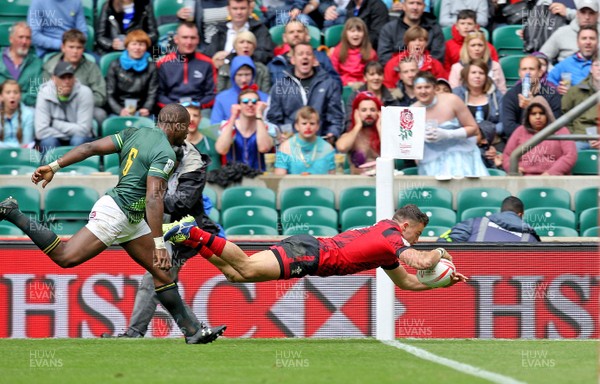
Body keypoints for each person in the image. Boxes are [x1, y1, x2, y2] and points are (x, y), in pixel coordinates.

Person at [0, 103, 226, 343]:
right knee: (65, 257)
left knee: (162, 274)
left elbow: (89, 147)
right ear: (177, 126)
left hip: (131, 217)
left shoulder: (134, 133)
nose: (188, 133)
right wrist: (160, 244)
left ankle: (193, 332)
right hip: (117, 212)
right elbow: (153, 198)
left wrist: (55, 166)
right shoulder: (166, 153)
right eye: (186, 127)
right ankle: (13, 212)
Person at [163, 204, 468, 289]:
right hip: (310, 254)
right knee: (246, 266)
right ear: (404, 226)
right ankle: (195, 231)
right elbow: (421, 262)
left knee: (236, 276)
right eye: (416, 234)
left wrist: (441, 284)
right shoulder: (392, 235)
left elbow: (407, 282)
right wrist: (440, 251)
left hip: (310, 253)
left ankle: (190, 238)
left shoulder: (386, 245)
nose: (414, 240)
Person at [103, 137, 225, 338]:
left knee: (156, 279)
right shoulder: (151, 162)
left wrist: (151, 199)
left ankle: (136, 333)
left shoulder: (193, 167)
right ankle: (195, 330)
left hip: (183, 234)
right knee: (163, 282)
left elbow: (182, 203)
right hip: (158, 230)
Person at [411, 71, 489, 177]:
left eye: (427, 87)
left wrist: (448, 134)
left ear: (434, 88)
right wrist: (420, 138)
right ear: (414, 90)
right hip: (431, 160)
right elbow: (410, 145)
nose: (423, 91)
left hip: (460, 155)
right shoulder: (411, 111)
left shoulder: (452, 100)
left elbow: (474, 129)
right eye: (419, 88)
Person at [266, 42, 344, 142]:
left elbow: (336, 117)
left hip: (320, 143)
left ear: (315, 60)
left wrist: (332, 135)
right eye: (300, 54)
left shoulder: (329, 84)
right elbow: (273, 119)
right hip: (290, 144)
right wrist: (281, 135)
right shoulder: (280, 86)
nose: (305, 57)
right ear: (293, 60)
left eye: (308, 54)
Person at [42, 29, 108, 126]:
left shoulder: (91, 67)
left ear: (83, 49)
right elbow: (45, 93)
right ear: (63, 47)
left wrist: (80, 102)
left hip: (84, 107)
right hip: (57, 107)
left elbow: (101, 96)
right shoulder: (50, 66)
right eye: (71, 47)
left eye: (79, 47)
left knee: (100, 114)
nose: (75, 51)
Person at [503, 96, 577, 175]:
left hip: (554, 179)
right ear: (528, 116)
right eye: (533, 114)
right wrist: (513, 169)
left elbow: (570, 155)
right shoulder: (520, 131)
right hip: (524, 179)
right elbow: (507, 155)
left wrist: (551, 173)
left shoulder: (561, 130)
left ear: (548, 114)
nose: (538, 117)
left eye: (541, 113)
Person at [35, 61, 94, 153]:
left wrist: (54, 123)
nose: (67, 81)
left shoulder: (85, 92)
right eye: (62, 77)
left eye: (70, 77)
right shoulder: (44, 93)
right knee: (48, 142)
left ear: (74, 78)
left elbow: (84, 130)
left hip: (78, 138)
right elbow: (41, 132)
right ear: (54, 79)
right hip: (55, 138)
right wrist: (69, 135)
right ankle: (51, 168)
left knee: (78, 140)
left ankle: (77, 168)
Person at [501, 55, 563, 140]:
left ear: (540, 72)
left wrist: (532, 105)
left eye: (531, 69)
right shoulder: (511, 95)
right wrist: (532, 135)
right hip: (519, 143)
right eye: (524, 69)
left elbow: (555, 125)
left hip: (546, 141)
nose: (527, 73)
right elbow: (509, 128)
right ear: (519, 73)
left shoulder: (552, 94)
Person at [156, 22, 216, 109]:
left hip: (200, 109)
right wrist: (175, 107)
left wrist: (196, 106)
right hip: (171, 109)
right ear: (176, 39)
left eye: (193, 38)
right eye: (185, 37)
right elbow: (159, 95)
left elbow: (212, 94)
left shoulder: (208, 63)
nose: (189, 42)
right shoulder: (163, 63)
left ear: (198, 40)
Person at [268, 19, 341, 86]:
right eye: (291, 32)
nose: (296, 35)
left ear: (306, 35)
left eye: (299, 31)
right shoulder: (275, 64)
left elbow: (336, 84)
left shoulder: (321, 57)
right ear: (284, 38)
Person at [215, 88, 274, 170]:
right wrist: (233, 116)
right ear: (239, 105)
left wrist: (259, 114)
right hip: (234, 178)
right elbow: (221, 149)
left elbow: (264, 148)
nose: (250, 104)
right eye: (245, 101)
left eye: (254, 102)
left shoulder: (267, 127)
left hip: (260, 178)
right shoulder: (228, 125)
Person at [438, 197, 540, 242]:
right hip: (509, 284)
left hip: (471, 281)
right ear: (520, 214)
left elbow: (444, 241)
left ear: (501, 212)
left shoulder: (474, 224)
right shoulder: (531, 238)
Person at [204, 0, 275, 66]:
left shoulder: (259, 29)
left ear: (249, 9)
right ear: (228, 9)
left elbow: (265, 55)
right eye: (235, 8)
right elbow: (208, 55)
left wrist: (231, 58)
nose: (239, 12)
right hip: (222, 73)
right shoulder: (220, 30)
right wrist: (216, 57)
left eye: (242, 8)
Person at [105, 30, 157, 117]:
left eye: (141, 44)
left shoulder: (151, 67)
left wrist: (147, 108)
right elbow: (109, 93)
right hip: (119, 109)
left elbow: (152, 92)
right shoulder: (115, 65)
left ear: (146, 47)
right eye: (134, 44)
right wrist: (119, 110)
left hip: (142, 110)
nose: (137, 48)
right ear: (127, 46)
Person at [377, 0, 445, 65]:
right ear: (403, 6)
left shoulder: (434, 28)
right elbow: (385, 57)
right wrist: (406, 70)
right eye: (411, 3)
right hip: (397, 72)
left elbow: (437, 56)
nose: (415, 7)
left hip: (427, 72)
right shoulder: (389, 29)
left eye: (419, 3)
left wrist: (421, 69)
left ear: (424, 7)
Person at [452, 59, 504, 143]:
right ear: (466, 75)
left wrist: (484, 133)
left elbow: (503, 123)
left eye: (481, 73)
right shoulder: (456, 94)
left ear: (486, 76)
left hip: (493, 140)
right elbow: (451, 122)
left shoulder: (496, 95)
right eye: (473, 72)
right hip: (463, 140)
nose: (477, 76)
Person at [274, 106, 336, 175]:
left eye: (312, 123)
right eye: (304, 123)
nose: (308, 127)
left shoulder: (328, 148)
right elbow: (279, 179)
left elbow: (333, 179)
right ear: (296, 126)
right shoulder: (285, 147)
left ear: (318, 126)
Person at [382, 25, 447, 89]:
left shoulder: (435, 65)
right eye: (413, 40)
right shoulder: (394, 63)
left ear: (426, 43)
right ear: (407, 43)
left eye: (421, 40)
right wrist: (402, 97)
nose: (417, 43)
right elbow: (388, 87)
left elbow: (442, 88)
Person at [210, 56, 269, 124]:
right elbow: (215, 126)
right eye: (239, 75)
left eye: (247, 75)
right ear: (233, 76)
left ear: (253, 75)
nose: (243, 80)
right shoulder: (221, 98)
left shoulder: (264, 98)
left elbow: (271, 127)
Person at [336, 90, 381, 174]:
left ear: (379, 113)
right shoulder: (352, 135)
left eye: (372, 110)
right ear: (357, 113)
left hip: (382, 181)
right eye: (364, 110)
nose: (368, 113)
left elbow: (390, 153)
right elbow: (342, 147)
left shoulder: (384, 134)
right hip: (357, 182)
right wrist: (357, 126)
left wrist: (379, 126)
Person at [0, 22, 43, 107]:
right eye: (21, 37)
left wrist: (10, 98)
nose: (24, 42)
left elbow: (35, 95)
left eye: (28, 38)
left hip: (26, 110)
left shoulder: (37, 64)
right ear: (11, 39)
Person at [562, 55, 600, 150]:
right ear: (591, 69)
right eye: (597, 65)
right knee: (572, 150)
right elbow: (564, 118)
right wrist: (574, 135)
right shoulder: (575, 91)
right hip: (580, 138)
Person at [547, 25, 598, 93]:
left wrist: (575, 89)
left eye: (592, 38)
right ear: (577, 43)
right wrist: (557, 88)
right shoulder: (567, 63)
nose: (588, 42)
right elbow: (548, 81)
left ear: (597, 42)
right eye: (584, 38)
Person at [320, 0, 389, 50]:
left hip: (368, 51)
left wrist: (353, 48)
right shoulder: (351, 5)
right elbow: (347, 33)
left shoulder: (378, 6)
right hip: (352, 48)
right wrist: (336, 48)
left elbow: (376, 36)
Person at [329, 17, 378, 87]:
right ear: (346, 34)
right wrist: (347, 82)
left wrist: (362, 83)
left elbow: (374, 74)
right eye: (352, 31)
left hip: (364, 86)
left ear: (364, 34)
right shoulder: (338, 50)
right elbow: (333, 74)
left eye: (359, 31)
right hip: (343, 86)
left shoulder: (371, 52)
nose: (356, 34)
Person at [183, 101, 222, 171]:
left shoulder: (210, 144)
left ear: (200, 119)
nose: (191, 119)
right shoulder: (173, 144)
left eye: (195, 115)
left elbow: (213, 175)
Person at [0, 80, 35, 148]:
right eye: (8, 92)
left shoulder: (28, 114)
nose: (12, 96)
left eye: (15, 92)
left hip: (21, 155)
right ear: (1, 96)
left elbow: (26, 144)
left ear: (20, 96)